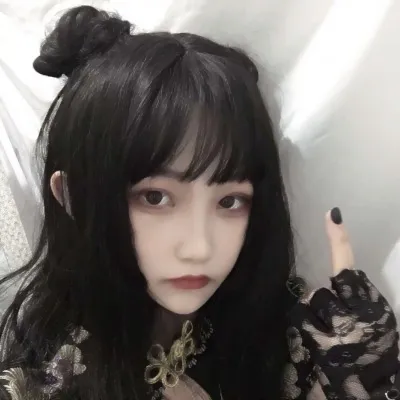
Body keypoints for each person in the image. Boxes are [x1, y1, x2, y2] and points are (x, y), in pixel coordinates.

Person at [0, 5, 398, 400]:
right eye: (155, 197)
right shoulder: (46, 387)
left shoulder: (287, 332)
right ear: (72, 196)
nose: (199, 248)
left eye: (230, 201)